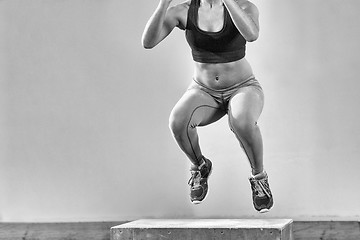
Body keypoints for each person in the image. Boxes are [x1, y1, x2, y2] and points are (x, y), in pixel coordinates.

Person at [142, 0, 273, 213]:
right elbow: (148, 42)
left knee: (241, 121)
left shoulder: (245, 7)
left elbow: (252, 35)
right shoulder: (183, 11)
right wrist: (164, 3)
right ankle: (200, 166)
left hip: (243, 87)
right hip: (204, 90)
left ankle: (259, 177)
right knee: (177, 121)